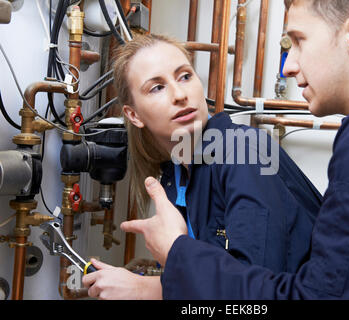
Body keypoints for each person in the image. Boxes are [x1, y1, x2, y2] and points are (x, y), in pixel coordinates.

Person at [120, 0, 349, 299]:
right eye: (158, 87)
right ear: (132, 115)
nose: (288, 67)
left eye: (299, 40)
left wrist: (174, 261)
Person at [82, 34, 323, 299]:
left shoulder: (243, 153)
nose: (180, 95)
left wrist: (148, 290)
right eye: (157, 87)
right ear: (134, 115)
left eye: (185, 76)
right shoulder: (174, 175)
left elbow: (256, 298)